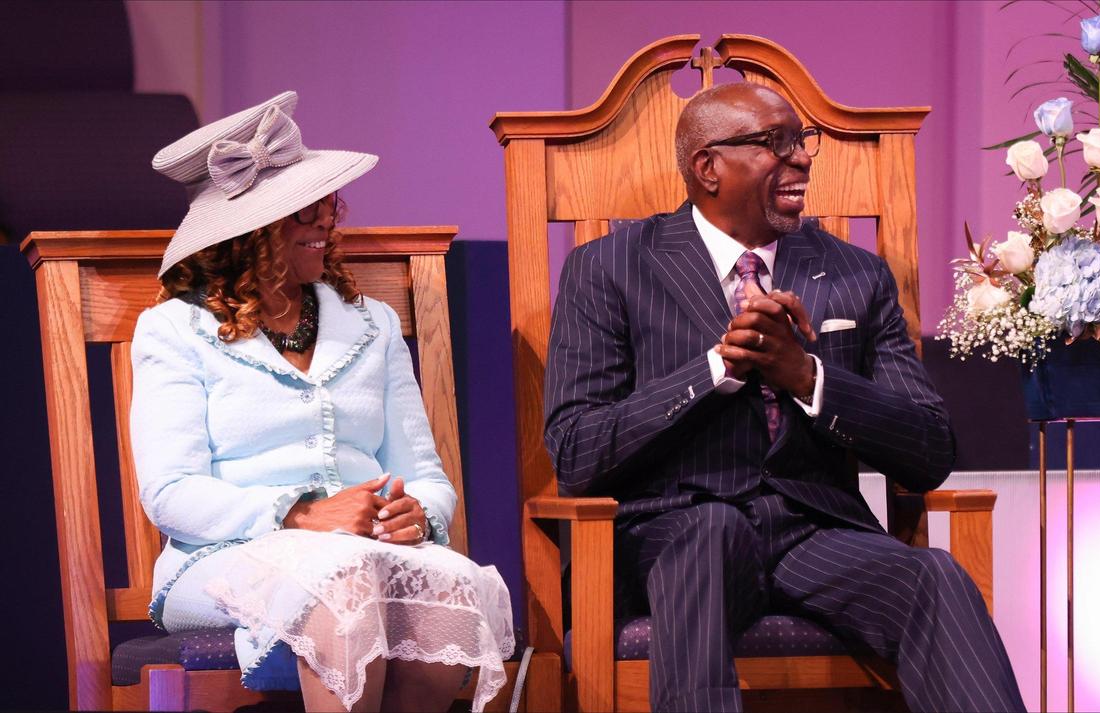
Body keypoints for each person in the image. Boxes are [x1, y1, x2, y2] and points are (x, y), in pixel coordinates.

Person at [543, 82, 1026, 712]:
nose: (800, 158)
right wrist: (718, 367)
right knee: (709, 538)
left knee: (934, 577)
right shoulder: (608, 267)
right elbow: (577, 452)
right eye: (774, 143)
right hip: (674, 532)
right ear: (707, 167)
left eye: (802, 142)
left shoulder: (854, 273)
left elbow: (930, 448)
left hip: (814, 533)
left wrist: (808, 377)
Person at [131, 91, 513, 713]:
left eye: (328, 203)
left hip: (372, 553)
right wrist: (302, 513)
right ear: (247, 232)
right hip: (222, 559)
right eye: (304, 209)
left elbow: (426, 476)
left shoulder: (373, 325)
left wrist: (418, 515)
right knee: (347, 585)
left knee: (451, 585)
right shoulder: (175, 330)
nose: (327, 221)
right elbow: (171, 494)